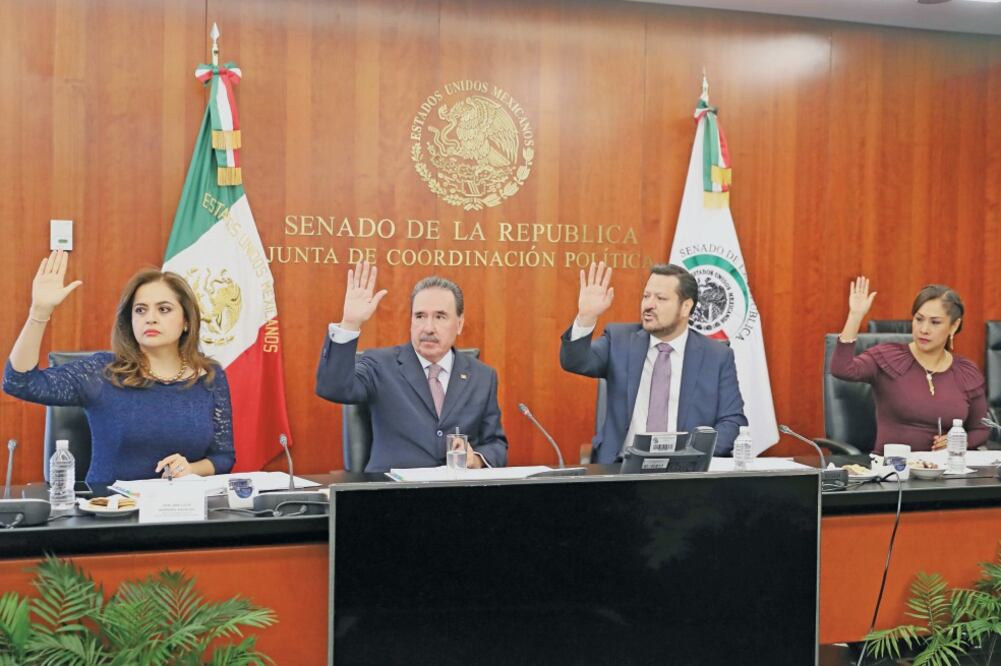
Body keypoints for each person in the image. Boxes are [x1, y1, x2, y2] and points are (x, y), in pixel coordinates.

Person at [3, 250, 234, 484]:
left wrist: (191, 469)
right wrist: (39, 313)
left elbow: (223, 457)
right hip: (110, 513)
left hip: (181, 510)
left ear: (186, 321)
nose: (150, 318)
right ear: (130, 320)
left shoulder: (209, 377)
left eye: (164, 309)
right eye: (140, 310)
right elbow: (19, 382)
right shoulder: (101, 372)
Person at [316, 262, 508, 472]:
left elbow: (496, 444)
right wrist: (350, 324)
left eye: (440, 317)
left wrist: (476, 459)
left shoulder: (482, 376)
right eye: (420, 316)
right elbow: (333, 387)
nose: (428, 328)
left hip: (457, 496)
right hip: (391, 496)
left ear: (459, 324)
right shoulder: (380, 365)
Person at [560, 262, 747, 462]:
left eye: (660, 298)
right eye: (646, 296)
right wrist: (586, 317)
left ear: (686, 307)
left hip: (685, 473)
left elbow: (732, 421)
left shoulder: (717, 356)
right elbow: (575, 362)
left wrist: (692, 458)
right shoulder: (619, 340)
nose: (649, 305)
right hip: (622, 470)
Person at [830, 276, 987, 454]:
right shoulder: (888, 357)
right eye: (919, 319)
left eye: (935, 322)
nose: (924, 329)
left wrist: (960, 440)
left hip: (945, 474)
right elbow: (841, 369)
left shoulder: (966, 372)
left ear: (953, 326)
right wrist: (855, 316)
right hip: (893, 473)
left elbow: (981, 429)